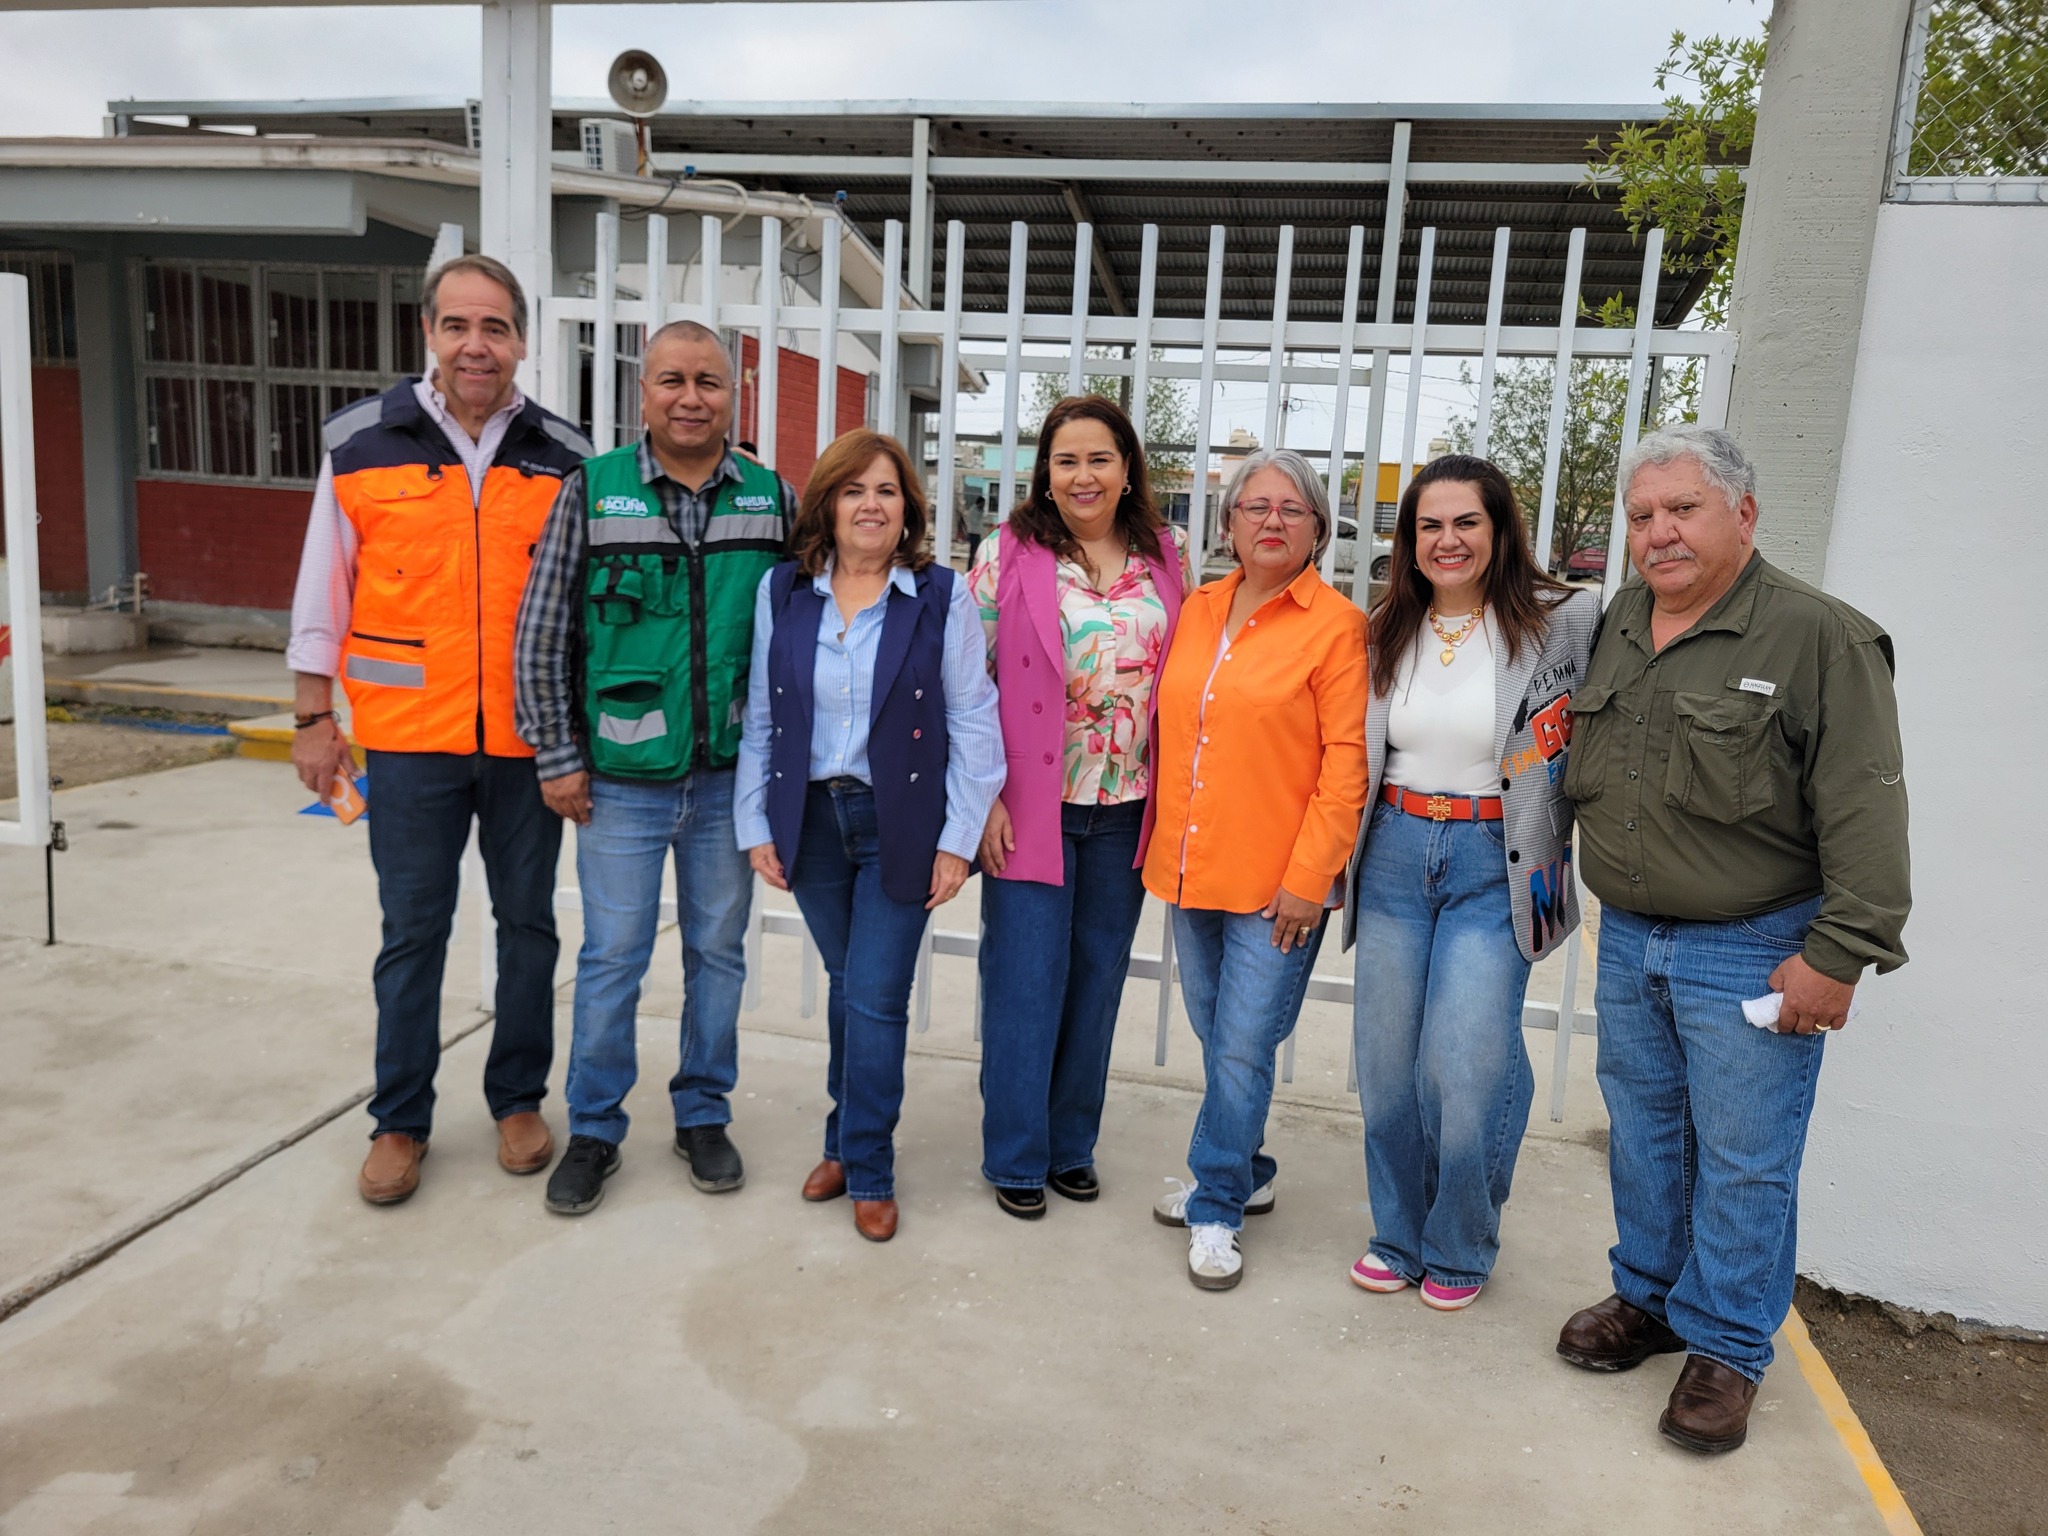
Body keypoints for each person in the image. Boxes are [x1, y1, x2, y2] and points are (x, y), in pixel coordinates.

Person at [1554, 425, 1910, 1454]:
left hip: (1751, 946)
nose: (1657, 534)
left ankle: (1725, 1348)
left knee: (1745, 1161)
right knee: (1648, 1138)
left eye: (1681, 510)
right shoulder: (1620, 623)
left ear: (1741, 515)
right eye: (1639, 517)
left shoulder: (1816, 638)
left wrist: (1839, 951)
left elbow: (1865, 808)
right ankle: (1650, 1302)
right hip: (1628, 940)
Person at [288, 254, 590, 1206]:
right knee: (412, 931)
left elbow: (582, 605)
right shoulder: (362, 442)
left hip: (524, 741)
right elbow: (318, 594)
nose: (476, 344)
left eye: (495, 327)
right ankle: (400, 1119)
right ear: (428, 332)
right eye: (458, 325)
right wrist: (311, 718)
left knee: (529, 927)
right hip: (408, 739)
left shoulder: (564, 454)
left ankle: (516, 1098)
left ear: (522, 341)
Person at [514, 320, 796, 1217]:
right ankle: (595, 1129)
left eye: (709, 382)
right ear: (644, 391)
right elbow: (543, 633)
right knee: (612, 959)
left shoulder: (771, 497)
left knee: (719, 954)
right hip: (621, 780)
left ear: (733, 395)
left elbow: (800, 633)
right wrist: (557, 755)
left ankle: (702, 1112)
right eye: (672, 379)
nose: (690, 397)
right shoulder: (589, 493)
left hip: (725, 781)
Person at [1339, 456, 1601, 1310]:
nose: (1446, 541)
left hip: (1502, 858)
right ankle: (1396, 1234)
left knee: (1464, 1061)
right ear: (1408, 540)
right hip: (1392, 854)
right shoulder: (1383, 628)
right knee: (1385, 1065)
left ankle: (1460, 1240)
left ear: (1499, 531)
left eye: (1465, 524)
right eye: (1428, 526)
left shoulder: (1567, 621)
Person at [734, 430, 1003, 1242]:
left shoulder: (939, 596)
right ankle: (843, 1144)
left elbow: (972, 717)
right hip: (809, 822)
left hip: (901, 823)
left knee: (876, 997)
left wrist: (958, 839)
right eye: (854, 490)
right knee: (852, 985)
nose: (871, 505)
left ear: (907, 510)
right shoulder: (782, 591)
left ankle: (869, 1164)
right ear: (828, 503)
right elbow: (764, 717)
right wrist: (756, 823)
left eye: (887, 491)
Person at [1143, 448, 1369, 1290]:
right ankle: (1250, 1164)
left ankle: (1217, 1205)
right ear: (1229, 521)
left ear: (1317, 529)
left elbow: (1347, 764)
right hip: (1190, 867)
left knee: (1241, 1048)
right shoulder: (1198, 608)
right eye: (1255, 507)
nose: (1271, 521)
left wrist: (1311, 879)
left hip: (1279, 887)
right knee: (1222, 1039)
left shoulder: (1337, 625)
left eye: (1292, 510)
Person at [970, 396, 1189, 1220]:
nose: (1084, 475)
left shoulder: (1165, 555)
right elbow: (969, 681)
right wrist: (985, 795)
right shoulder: (1009, 554)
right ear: (1046, 474)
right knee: (1027, 980)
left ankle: (1071, 1145)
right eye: (1067, 461)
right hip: (1032, 802)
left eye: (1100, 459)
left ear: (1128, 468)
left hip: (1127, 803)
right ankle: (1017, 1153)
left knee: (1095, 982)